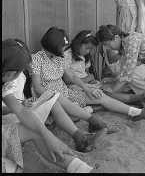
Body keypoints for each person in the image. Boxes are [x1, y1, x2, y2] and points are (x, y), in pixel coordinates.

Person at [30, 27, 145, 130]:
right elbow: (37, 87)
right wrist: (56, 96)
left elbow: (72, 75)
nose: (63, 50)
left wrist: (87, 88)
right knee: (71, 110)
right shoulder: (36, 59)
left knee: (99, 95)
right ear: (53, 45)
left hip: (66, 93)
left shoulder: (58, 58)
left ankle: (136, 113)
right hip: (50, 97)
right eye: (61, 47)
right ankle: (95, 122)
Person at [2, 39, 94, 173]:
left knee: (36, 129)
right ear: (11, 73)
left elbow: (20, 110)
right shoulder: (38, 60)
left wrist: (47, 135)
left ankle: (82, 168)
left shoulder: (5, 82)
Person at [2, 65, 107, 153]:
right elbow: (17, 105)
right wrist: (18, 106)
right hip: (11, 115)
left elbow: (19, 96)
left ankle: (80, 138)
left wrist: (27, 101)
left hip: (21, 108)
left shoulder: (17, 76)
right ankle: (92, 123)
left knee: (55, 101)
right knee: (56, 100)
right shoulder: (8, 79)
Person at [64, 30, 145, 109]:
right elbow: (68, 79)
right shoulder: (67, 55)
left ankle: (139, 101)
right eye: (87, 48)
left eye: (90, 49)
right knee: (107, 93)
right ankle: (140, 98)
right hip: (77, 86)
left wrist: (91, 80)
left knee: (114, 88)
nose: (88, 51)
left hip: (88, 83)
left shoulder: (84, 56)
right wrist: (86, 79)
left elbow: (87, 73)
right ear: (78, 43)